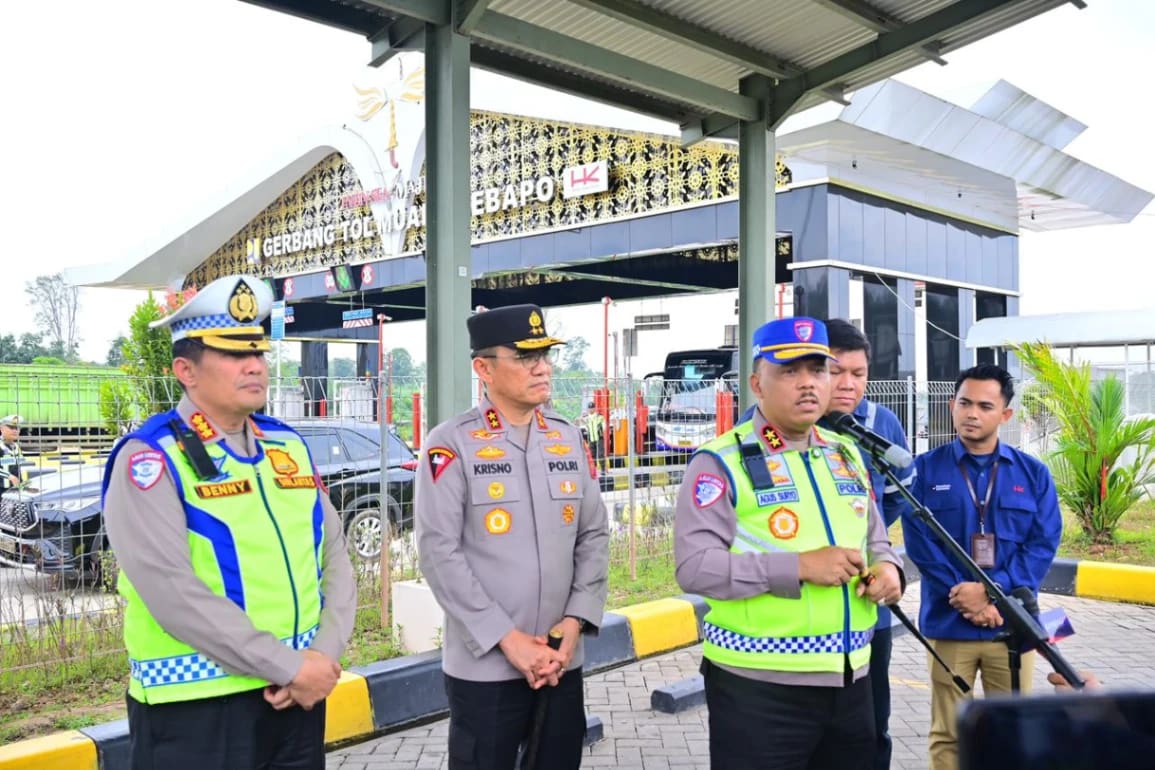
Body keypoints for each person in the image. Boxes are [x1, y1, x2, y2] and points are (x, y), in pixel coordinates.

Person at [101, 275, 357, 770]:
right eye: (234, 355)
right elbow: (172, 591)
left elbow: (334, 556)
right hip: (197, 709)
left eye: (258, 353)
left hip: (297, 697)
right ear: (185, 371)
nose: (255, 366)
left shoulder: (288, 447)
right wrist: (287, 666)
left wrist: (322, 657)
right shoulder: (152, 458)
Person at [675, 316, 904, 770]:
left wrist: (889, 572)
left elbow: (877, 540)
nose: (808, 384)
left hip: (850, 680)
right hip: (759, 689)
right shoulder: (719, 463)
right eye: (790, 371)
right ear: (758, 384)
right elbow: (695, 568)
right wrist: (797, 566)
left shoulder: (845, 452)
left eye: (818, 370)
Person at [416, 303, 610, 770]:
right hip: (486, 669)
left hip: (562, 659)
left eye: (545, 355)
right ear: (483, 368)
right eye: (525, 357)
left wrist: (576, 620)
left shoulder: (566, 436)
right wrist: (508, 639)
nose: (542, 367)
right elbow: (439, 552)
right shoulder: (451, 444)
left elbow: (593, 534)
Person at [738, 319, 912, 768]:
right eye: (833, 371)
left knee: (872, 730)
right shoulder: (745, 443)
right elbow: (703, 563)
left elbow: (887, 506)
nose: (843, 384)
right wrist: (802, 562)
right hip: (778, 659)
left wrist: (882, 561)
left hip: (860, 630)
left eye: (857, 374)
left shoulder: (865, 435)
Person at [901, 363, 1062, 770]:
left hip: (1011, 626)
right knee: (949, 732)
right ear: (952, 406)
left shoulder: (1033, 474)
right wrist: (965, 596)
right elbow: (922, 544)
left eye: (985, 406)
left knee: (1010, 732)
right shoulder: (924, 470)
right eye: (964, 403)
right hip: (948, 622)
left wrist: (992, 594)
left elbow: (1041, 545)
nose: (972, 413)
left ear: (1005, 415)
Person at [0, 414, 25, 490]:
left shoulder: (16, 447)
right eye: (11, 428)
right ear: (1, 429)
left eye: (17, 428)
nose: (15, 431)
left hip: (15, 490)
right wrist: (9, 476)